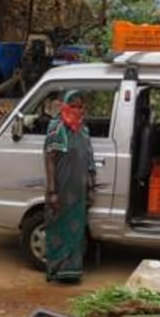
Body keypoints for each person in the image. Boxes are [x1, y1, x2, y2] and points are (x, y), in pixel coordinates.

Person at [43, 90, 96, 283]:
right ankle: (56, 271)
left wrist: (91, 188)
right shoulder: (56, 127)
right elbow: (50, 159)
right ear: (65, 105)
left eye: (80, 106)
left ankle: (72, 272)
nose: (76, 109)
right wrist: (52, 190)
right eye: (72, 105)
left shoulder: (83, 129)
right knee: (58, 229)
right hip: (61, 187)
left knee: (76, 231)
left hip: (78, 190)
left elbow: (89, 160)